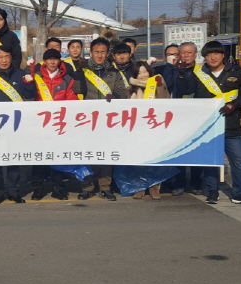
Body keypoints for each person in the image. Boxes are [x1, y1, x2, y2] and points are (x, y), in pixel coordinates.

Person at [192, 41, 241, 205]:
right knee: (211, 160)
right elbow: (191, 97)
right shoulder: (199, 74)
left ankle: (239, 193)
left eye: (216, 53)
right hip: (209, 126)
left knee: (238, 161)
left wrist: (235, 105)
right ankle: (212, 191)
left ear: (223, 55)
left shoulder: (236, 71)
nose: (213, 57)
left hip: (231, 124)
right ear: (204, 57)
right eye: (209, 54)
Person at [0, 46, 35, 204]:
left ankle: (14, 192)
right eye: (1, 57)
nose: (4, 60)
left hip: (15, 124)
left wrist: (30, 84)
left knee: (13, 159)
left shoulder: (20, 74)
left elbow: (30, 96)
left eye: (7, 56)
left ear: (11, 58)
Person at [78, 38, 128, 201]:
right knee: (87, 154)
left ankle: (105, 187)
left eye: (103, 52)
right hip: (87, 120)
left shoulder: (114, 72)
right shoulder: (82, 70)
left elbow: (122, 91)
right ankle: (87, 186)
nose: (100, 55)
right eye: (97, 52)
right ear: (91, 53)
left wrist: (116, 96)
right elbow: (76, 91)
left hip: (108, 120)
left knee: (106, 154)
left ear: (108, 54)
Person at [26, 48, 78, 201]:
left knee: (58, 157)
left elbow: (72, 98)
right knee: (39, 158)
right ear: (45, 61)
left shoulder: (67, 79)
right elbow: (29, 97)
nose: (53, 62)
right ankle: (38, 189)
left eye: (56, 59)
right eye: (49, 59)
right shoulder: (36, 77)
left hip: (59, 125)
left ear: (60, 61)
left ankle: (58, 188)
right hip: (40, 124)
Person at [125, 61, 171, 200]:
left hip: (155, 127)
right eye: (139, 73)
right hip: (137, 128)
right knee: (139, 159)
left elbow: (167, 101)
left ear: (150, 72)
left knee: (155, 158)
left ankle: (154, 186)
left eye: (144, 71)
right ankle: (139, 187)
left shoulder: (159, 83)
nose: (142, 75)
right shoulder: (130, 89)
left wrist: (159, 86)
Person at [170, 42, 202, 195]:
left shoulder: (203, 70)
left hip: (198, 117)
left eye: (189, 52)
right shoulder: (174, 70)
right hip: (179, 117)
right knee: (180, 152)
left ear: (196, 54)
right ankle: (180, 182)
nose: (186, 55)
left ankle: (196, 183)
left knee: (196, 150)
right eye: (183, 53)